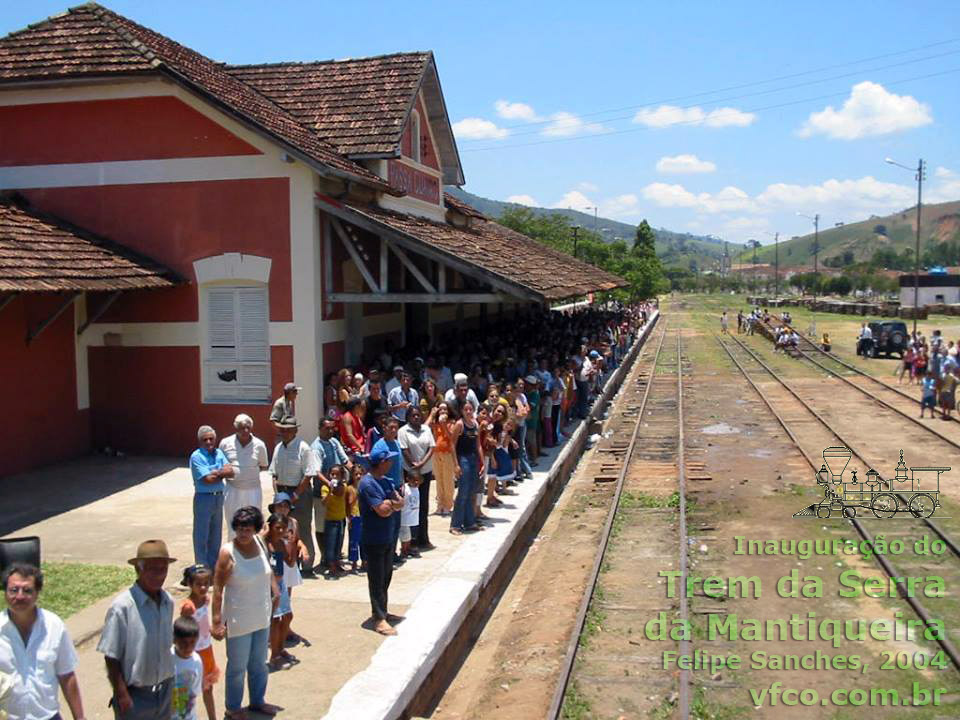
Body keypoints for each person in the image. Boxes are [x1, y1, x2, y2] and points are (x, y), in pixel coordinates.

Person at [211, 507, 278, 720]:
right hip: (239, 619)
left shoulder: (259, 542)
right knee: (237, 667)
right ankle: (233, 707)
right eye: (239, 529)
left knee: (259, 663)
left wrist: (276, 593)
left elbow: (268, 570)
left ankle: (257, 701)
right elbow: (218, 589)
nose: (243, 534)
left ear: (255, 529)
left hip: (262, 614)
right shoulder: (227, 552)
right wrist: (216, 622)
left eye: (247, 529)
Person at [98, 539, 177, 719]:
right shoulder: (122, 607)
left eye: (163, 569)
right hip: (135, 696)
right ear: (138, 569)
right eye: (152, 569)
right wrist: (121, 693)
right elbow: (111, 655)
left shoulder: (168, 602)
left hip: (165, 690)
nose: (159, 575)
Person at [0, 564, 85, 720]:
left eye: (27, 590)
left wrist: (80, 718)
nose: (19, 596)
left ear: (37, 593)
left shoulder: (54, 626)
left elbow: (66, 675)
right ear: (5, 592)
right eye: (13, 590)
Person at [357, 447, 405, 636]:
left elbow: (400, 502)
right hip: (374, 537)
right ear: (381, 463)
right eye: (388, 461)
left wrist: (390, 504)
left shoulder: (386, 481)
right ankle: (378, 618)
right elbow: (381, 510)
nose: (391, 463)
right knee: (376, 579)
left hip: (389, 535)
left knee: (386, 576)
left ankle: (382, 611)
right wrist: (391, 504)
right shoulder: (367, 484)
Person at [269, 417, 321, 577]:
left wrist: (296, 495)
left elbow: (308, 474)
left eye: (288, 429)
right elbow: (273, 473)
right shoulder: (279, 448)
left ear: (295, 431)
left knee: (302, 528)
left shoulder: (303, 448)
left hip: (300, 492)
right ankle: (283, 561)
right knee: (280, 529)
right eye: (282, 429)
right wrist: (278, 494)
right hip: (282, 493)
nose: (284, 432)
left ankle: (306, 565)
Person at [190, 426, 235, 571]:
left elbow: (231, 471)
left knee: (216, 534)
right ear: (200, 441)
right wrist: (221, 472)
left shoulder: (219, 453)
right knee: (201, 534)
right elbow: (208, 479)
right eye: (205, 440)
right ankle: (202, 568)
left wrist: (216, 472)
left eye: (211, 439)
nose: (209, 442)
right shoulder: (196, 456)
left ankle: (214, 566)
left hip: (219, 497)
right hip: (204, 498)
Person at [310, 415, 351, 565]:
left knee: (340, 522)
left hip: (339, 493)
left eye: (332, 428)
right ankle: (325, 557)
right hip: (323, 493)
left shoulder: (334, 442)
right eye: (327, 428)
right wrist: (330, 484)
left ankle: (335, 554)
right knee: (322, 526)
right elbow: (316, 471)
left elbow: (345, 460)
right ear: (320, 429)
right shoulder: (316, 447)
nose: (330, 431)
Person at [220, 415, 268, 540]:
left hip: (253, 490)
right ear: (236, 428)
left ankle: (253, 554)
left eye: (248, 427)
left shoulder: (259, 444)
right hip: (232, 490)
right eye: (242, 428)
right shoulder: (225, 443)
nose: (245, 431)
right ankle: (233, 555)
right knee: (233, 524)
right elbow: (221, 465)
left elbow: (263, 466)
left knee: (254, 523)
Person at [179, 566, 218, 720]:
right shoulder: (188, 607)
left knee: (208, 688)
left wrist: (213, 630)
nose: (203, 588)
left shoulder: (206, 600)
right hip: (191, 652)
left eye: (206, 584)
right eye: (198, 584)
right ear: (189, 584)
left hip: (206, 649)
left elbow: (205, 623)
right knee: (185, 688)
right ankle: (180, 716)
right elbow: (183, 629)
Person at [397, 407, 436, 550]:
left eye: (418, 415)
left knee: (423, 505)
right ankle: (411, 540)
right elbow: (404, 449)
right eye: (413, 415)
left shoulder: (426, 429)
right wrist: (414, 465)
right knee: (410, 506)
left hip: (425, 471)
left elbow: (432, 447)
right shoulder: (402, 431)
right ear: (408, 417)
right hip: (410, 473)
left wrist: (422, 463)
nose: (416, 418)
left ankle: (423, 538)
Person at [261, 514, 294, 670]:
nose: (280, 531)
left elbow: (290, 561)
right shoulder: (264, 543)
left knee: (288, 616)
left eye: (283, 528)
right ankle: (274, 655)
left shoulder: (281, 543)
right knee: (276, 620)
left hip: (280, 583)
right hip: (269, 586)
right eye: (277, 528)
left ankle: (280, 649)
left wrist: (293, 543)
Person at [371, 417, 405, 565]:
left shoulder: (396, 444)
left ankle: (393, 552)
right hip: (385, 489)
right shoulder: (379, 446)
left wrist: (402, 482)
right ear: (384, 428)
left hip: (397, 487)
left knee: (396, 524)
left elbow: (400, 465)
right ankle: (386, 554)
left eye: (395, 428)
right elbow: (375, 468)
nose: (393, 430)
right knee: (388, 523)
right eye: (390, 427)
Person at [449, 402, 484, 535]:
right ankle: (455, 525)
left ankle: (469, 522)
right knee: (463, 492)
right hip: (463, 458)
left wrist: (482, 462)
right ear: (462, 411)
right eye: (466, 409)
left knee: (471, 491)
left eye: (470, 409)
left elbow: (478, 444)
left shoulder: (475, 424)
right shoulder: (459, 424)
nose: (469, 412)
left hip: (473, 458)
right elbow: (452, 445)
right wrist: (456, 464)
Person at [171, 617, 203, 720]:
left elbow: (195, 690)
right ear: (174, 639)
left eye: (192, 642)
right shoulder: (167, 658)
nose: (188, 647)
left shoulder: (197, 661)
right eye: (184, 643)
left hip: (189, 716)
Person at [429, 403, 456, 516]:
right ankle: (440, 504)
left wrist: (444, 425)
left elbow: (451, 437)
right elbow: (427, 427)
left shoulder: (452, 423)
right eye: (441, 409)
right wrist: (433, 414)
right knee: (439, 480)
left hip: (447, 453)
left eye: (445, 409)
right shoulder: (436, 423)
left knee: (447, 480)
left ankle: (448, 505)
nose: (443, 411)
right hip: (437, 453)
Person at [320, 465, 348, 576]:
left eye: (337, 475)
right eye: (332, 474)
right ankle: (331, 565)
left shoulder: (344, 486)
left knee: (338, 543)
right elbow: (323, 503)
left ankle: (337, 562)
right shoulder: (325, 488)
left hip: (341, 519)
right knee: (330, 544)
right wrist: (330, 492)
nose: (334, 476)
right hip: (331, 520)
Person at [346, 464, 364, 573]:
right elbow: (349, 503)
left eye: (360, 474)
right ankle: (353, 562)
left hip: (363, 515)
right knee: (354, 540)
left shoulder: (364, 486)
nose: (358, 476)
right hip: (354, 515)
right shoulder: (350, 489)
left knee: (364, 540)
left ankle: (364, 561)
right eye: (356, 474)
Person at [399, 471, 420, 560]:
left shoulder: (417, 488)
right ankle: (403, 551)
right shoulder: (405, 489)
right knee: (405, 537)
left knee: (411, 536)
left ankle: (408, 549)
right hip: (405, 518)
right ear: (408, 479)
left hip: (414, 518)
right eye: (414, 480)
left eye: (417, 480)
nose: (416, 482)